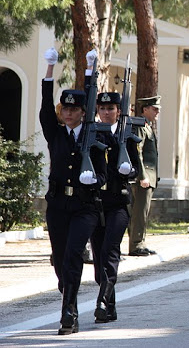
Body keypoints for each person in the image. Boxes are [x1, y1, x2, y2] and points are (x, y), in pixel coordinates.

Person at [40, 48, 107, 335]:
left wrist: (94, 179)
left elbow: (104, 174)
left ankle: (69, 313)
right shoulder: (55, 133)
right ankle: (67, 287)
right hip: (57, 205)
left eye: (74, 110)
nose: (68, 114)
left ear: (82, 112)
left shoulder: (93, 136)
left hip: (84, 206)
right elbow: (44, 107)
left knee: (72, 256)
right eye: (64, 109)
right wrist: (49, 68)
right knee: (59, 259)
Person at [91, 91, 141, 323]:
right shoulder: (91, 135)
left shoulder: (127, 136)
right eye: (102, 108)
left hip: (118, 202)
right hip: (95, 203)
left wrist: (127, 171)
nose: (106, 112)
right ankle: (109, 307)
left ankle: (102, 299)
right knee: (99, 256)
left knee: (110, 250)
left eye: (111, 108)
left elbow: (136, 170)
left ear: (118, 111)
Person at [128, 95, 160, 256]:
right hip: (144, 177)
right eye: (154, 109)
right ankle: (136, 245)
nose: (157, 112)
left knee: (143, 212)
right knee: (139, 212)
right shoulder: (140, 125)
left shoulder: (147, 126)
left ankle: (140, 242)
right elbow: (137, 151)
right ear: (145, 109)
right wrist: (142, 176)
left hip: (149, 176)